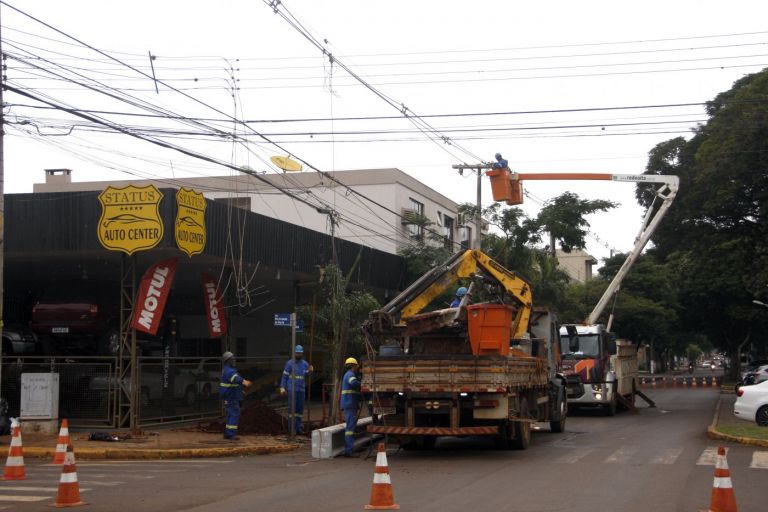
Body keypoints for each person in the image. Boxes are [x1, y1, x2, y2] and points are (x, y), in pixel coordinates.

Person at [279, 345, 313, 435]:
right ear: (294, 353)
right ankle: (291, 429)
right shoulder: (289, 363)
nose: (299, 354)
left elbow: (308, 375)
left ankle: (298, 428)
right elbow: (284, 377)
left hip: (301, 389)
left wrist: (310, 371)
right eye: (297, 353)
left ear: (302, 353)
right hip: (291, 389)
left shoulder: (305, 364)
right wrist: (282, 388)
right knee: (292, 410)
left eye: (300, 353)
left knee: (299, 411)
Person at [219, 351, 252, 440]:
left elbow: (233, 384)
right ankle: (231, 434)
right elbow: (235, 379)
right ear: (228, 360)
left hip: (231, 395)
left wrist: (241, 391)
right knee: (234, 413)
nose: (233, 360)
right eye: (232, 359)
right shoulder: (229, 371)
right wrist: (244, 382)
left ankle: (228, 433)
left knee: (230, 414)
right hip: (231, 396)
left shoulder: (227, 370)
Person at [340, 357, 362, 457]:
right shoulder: (350, 375)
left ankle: (349, 449)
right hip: (350, 404)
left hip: (350, 404)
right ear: (353, 366)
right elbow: (353, 383)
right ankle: (349, 451)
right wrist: (362, 384)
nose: (357, 368)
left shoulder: (348, 374)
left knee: (350, 427)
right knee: (350, 428)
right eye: (356, 366)